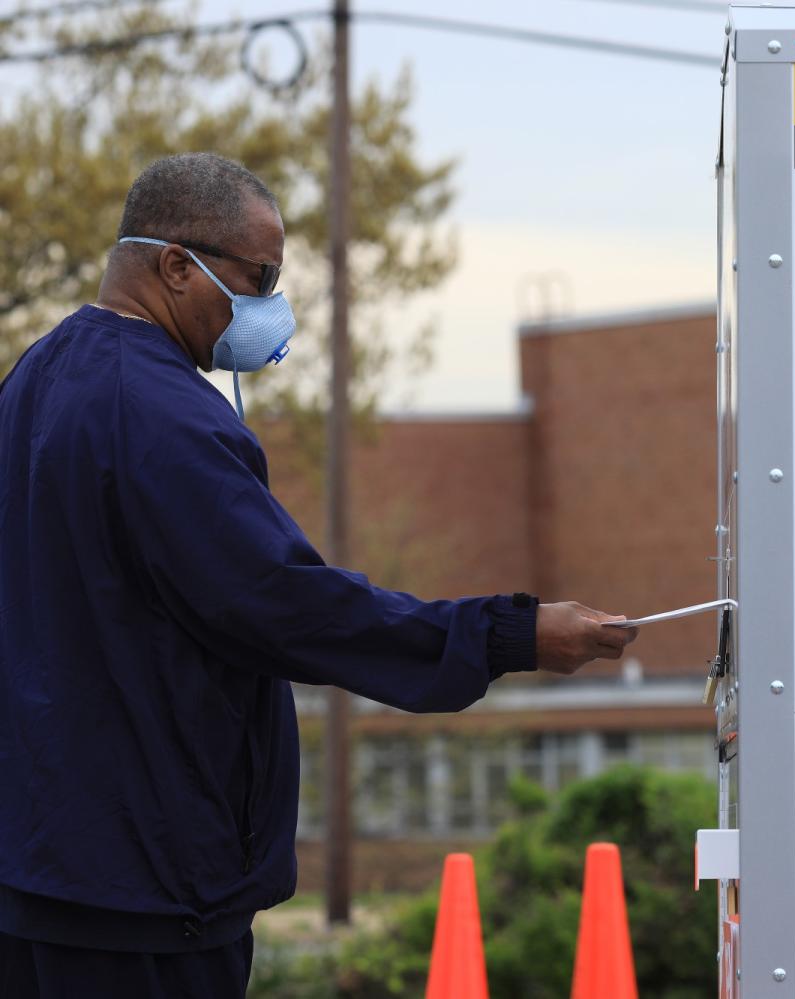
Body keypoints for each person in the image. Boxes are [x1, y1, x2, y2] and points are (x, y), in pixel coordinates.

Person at [0, 153, 638, 998]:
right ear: (176, 266)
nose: (272, 307)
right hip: (141, 902)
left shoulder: (31, 383)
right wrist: (509, 632)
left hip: (34, 879)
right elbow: (285, 604)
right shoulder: (165, 416)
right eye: (259, 278)